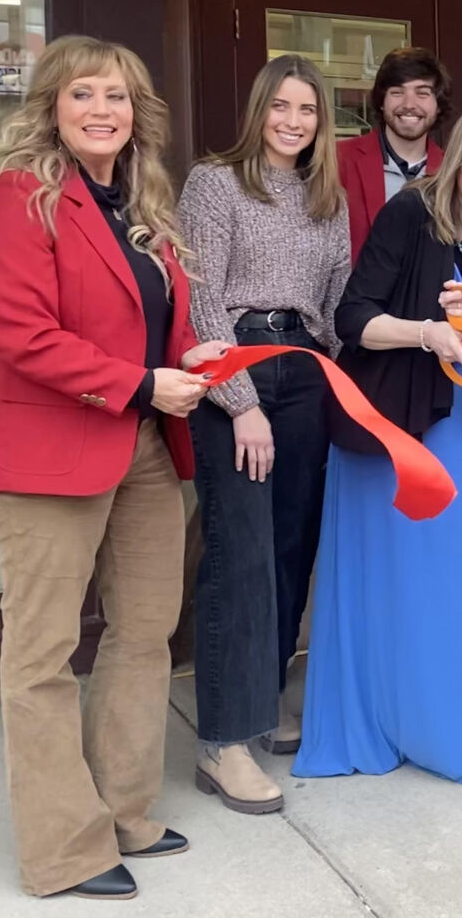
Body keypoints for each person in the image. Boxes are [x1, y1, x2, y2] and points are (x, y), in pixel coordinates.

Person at [0, 35, 229, 901]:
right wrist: (141, 382)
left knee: (144, 630)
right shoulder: (22, 196)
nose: (101, 110)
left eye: (117, 96)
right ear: (53, 104)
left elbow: (157, 325)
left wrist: (202, 358)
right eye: (84, 94)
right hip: (49, 450)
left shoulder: (143, 203)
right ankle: (62, 850)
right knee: (41, 655)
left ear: (136, 111)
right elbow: (22, 334)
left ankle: (124, 809)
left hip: (144, 445)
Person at [295, 102, 462, 805]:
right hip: (399, 428)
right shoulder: (411, 213)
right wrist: (430, 332)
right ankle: (398, 715)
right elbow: (353, 319)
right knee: (401, 581)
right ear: (456, 158)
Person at [178, 54, 352, 815]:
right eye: (281, 105)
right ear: (260, 109)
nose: (293, 120)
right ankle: (222, 741)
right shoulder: (215, 183)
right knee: (241, 555)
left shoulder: (327, 197)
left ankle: (264, 697)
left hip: (307, 372)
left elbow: (340, 298)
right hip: (239, 371)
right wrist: (240, 399)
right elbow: (200, 296)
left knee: (290, 549)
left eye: (307, 109)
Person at [339, 46, 449, 262]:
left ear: (438, 105)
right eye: (397, 92)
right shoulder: (339, 160)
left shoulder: (453, 172)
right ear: (381, 101)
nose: (409, 105)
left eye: (422, 93)